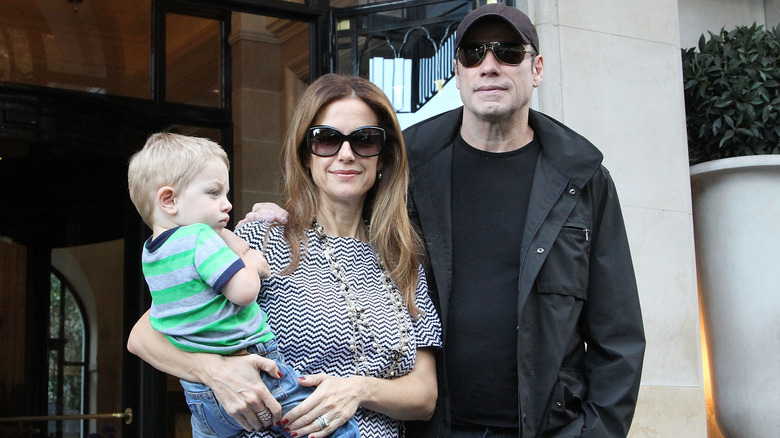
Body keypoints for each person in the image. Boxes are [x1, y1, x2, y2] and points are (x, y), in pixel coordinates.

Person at [242, 4, 646, 437]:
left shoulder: (582, 181)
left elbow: (617, 337)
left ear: (538, 68)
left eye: (508, 52)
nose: (488, 66)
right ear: (457, 71)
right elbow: (337, 193)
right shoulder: (410, 169)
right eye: (473, 54)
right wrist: (272, 222)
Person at [127, 74, 442, 438]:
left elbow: (425, 394)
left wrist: (356, 390)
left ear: (383, 156)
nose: (346, 153)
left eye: (364, 140)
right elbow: (144, 336)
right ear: (305, 155)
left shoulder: (402, 257)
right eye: (326, 139)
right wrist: (214, 371)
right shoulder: (259, 238)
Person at [127, 132, 360, 438]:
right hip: (252, 367)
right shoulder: (200, 238)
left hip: (199, 396)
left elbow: (165, 315)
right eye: (213, 193)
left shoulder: (151, 252)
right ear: (169, 200)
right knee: (336, 427)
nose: (227, 204)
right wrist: (249, 260)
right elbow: (244, 291)